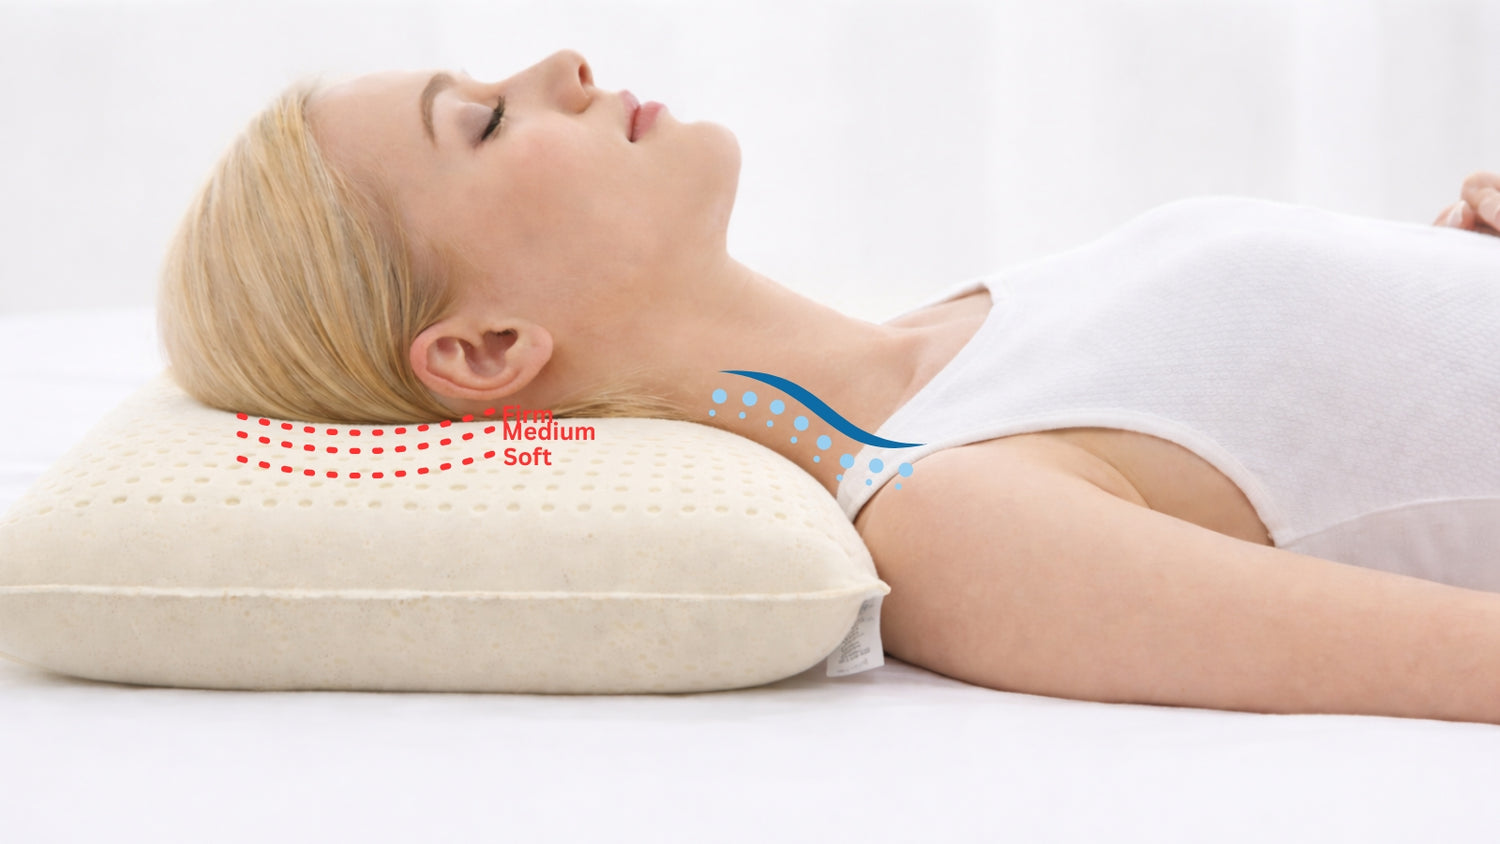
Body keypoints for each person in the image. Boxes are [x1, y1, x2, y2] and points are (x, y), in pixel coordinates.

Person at [158, 48, 1500, 725]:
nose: (561, 65)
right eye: (487, 121)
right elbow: (1456, 662)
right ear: (485, 352)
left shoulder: (963, 322)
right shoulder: (948, 510)